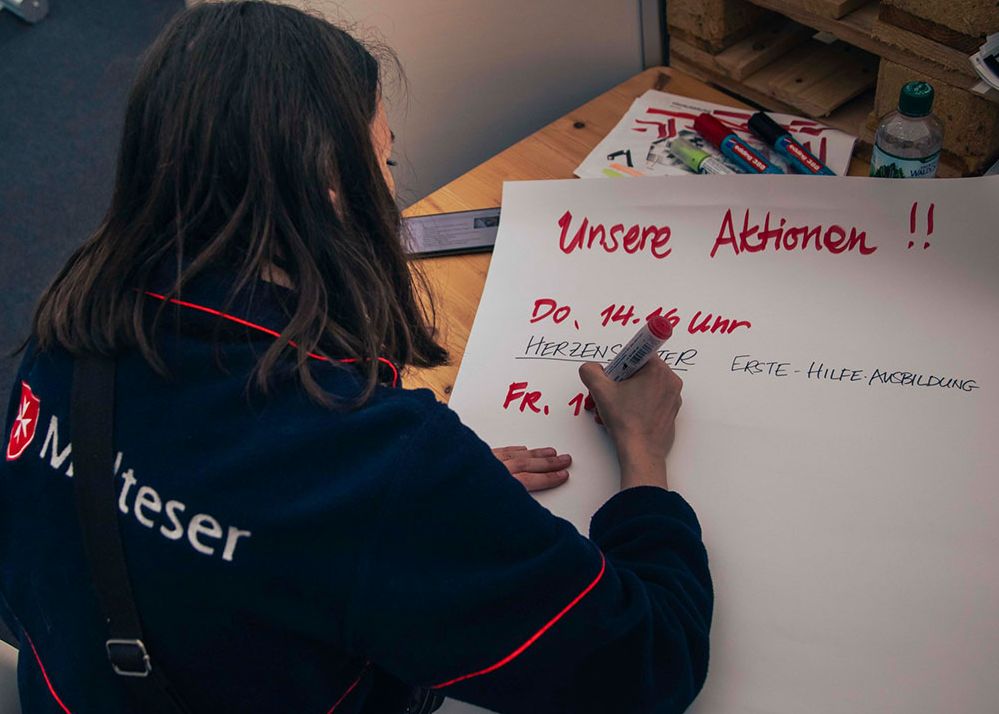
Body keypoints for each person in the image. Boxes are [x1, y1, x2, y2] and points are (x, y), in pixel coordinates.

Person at [0, 2, 712, 713]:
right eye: (384, 158)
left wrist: (413, 520)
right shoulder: (374, 458)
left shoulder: (71, 326)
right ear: (332, 188)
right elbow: (647, 665)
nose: (390, 185)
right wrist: (642, 455)